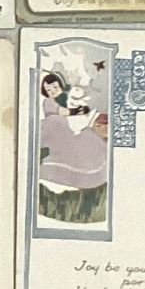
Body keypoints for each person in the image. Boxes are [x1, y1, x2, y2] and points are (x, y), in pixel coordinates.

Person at [37, 70, 108, 223]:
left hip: (72, 129)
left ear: (59, 84)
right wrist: (77, 111)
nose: (52, 91)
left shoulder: (66, 96)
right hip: (57, 131)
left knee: (88, 140)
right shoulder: (49, 102)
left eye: (54, 86)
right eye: (48, 90)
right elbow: (63, 112)